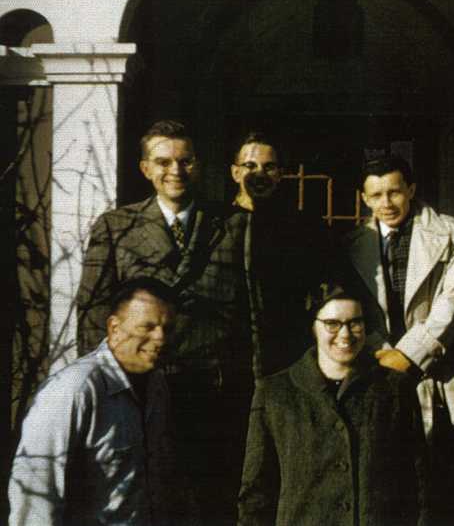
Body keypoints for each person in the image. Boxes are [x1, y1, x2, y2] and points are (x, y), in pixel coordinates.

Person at [76, 119, 252, 523]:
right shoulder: (117, 227)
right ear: (145, 169)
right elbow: (92, 316)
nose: (175, 170)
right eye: (163, 161)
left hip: (215, 395)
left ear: (199, 165)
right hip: (143, 392)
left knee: (214, 501)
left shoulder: (234, 225)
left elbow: (252, 314)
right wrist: (109, 390)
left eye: (185, 160)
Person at [343, 154, 454, 523]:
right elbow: (354, 306)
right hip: (376, 370)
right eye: (377, 195)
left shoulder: (451, 232)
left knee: (438, 486)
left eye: (395, 192)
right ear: (365, 199)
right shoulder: (353, 243)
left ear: (411, 190)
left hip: (432, 371)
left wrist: (410, 354)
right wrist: (381, 353)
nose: (387, 203)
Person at [238, 282, 428, 526]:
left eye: (354, 323)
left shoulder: (394, 389)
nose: (345, 334)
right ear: (314, 327)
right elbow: (256, 495)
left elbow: (421, 483)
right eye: (333, 324)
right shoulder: (276, 394)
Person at [9, 278, 182, 525]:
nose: (161, 338)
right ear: (114, 328)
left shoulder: (157, 386)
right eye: (148, 327)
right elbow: (35, 494)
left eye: (168, 328)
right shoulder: (71, 391)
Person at [229, 130, 330, 375]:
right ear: (235, 172)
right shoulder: (216, 224)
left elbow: (327, 289)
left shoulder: (304, 227)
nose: (260, 174)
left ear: (281, 174)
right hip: (231, 358)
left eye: (269, 167)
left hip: (287, 356)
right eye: (250, 166)